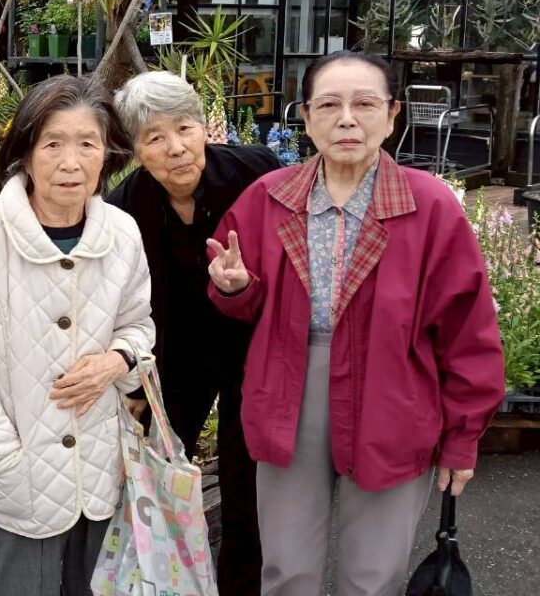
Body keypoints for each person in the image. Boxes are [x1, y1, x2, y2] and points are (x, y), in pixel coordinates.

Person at [205, 51, 505, 596]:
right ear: (305, 117)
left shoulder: (430, 206)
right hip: (288, 396)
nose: (347, 119)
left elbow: (468, 332)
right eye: (329, 105)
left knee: (373, 577)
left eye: (364, 104)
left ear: (391, 115)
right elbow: (243, 301)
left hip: (394, 398)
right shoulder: (267, 199)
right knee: (286, 571)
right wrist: (234, 288)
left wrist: (463, 437)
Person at [0, 75, 156, 595]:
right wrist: (1, 452)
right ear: (26, 154)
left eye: (87, 144)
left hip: (99, 474)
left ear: (107, 154)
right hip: (14, 485)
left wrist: (118, 359)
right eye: (53, 144)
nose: (70, 162)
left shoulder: (122, 233)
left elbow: (139, 325)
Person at [106, 71, 278, 596]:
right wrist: (132, 383)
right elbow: (118, 300)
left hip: (252, 347)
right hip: (175, 356)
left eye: (185, 128)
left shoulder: (257, 172)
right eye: (154, 138)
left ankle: (242, 586)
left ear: (205, 128)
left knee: (248, 479)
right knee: (159, 469)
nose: (176, 148)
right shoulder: (123, 208)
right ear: (135, 149)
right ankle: (169, 581)